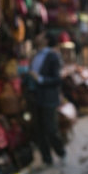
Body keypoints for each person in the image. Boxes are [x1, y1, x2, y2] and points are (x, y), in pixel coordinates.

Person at [28, 31, 66, 166]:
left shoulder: (52, 56)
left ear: (46, 40)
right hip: (35, 96)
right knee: (39, 129)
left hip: (48, 97)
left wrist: (40, 79)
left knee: (51, 128)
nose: (38, 36)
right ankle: (46, 158)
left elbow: (57, 79)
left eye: (41, 35)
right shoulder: (36, 55)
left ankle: (60, 151)